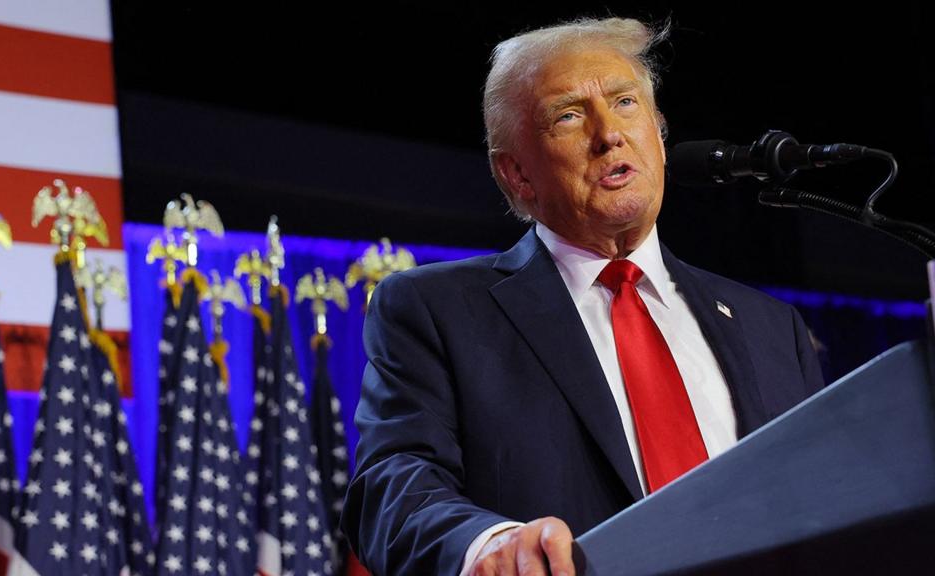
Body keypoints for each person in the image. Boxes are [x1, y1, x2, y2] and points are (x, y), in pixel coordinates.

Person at [342, 17, 825, 576]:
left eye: (625, 103)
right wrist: (489, 545)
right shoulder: (437, 310)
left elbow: (823, 500)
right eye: (568, 115)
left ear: (659, 136)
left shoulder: (771, 327)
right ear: (517, 174)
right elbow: (389, 491)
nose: (609, 134)